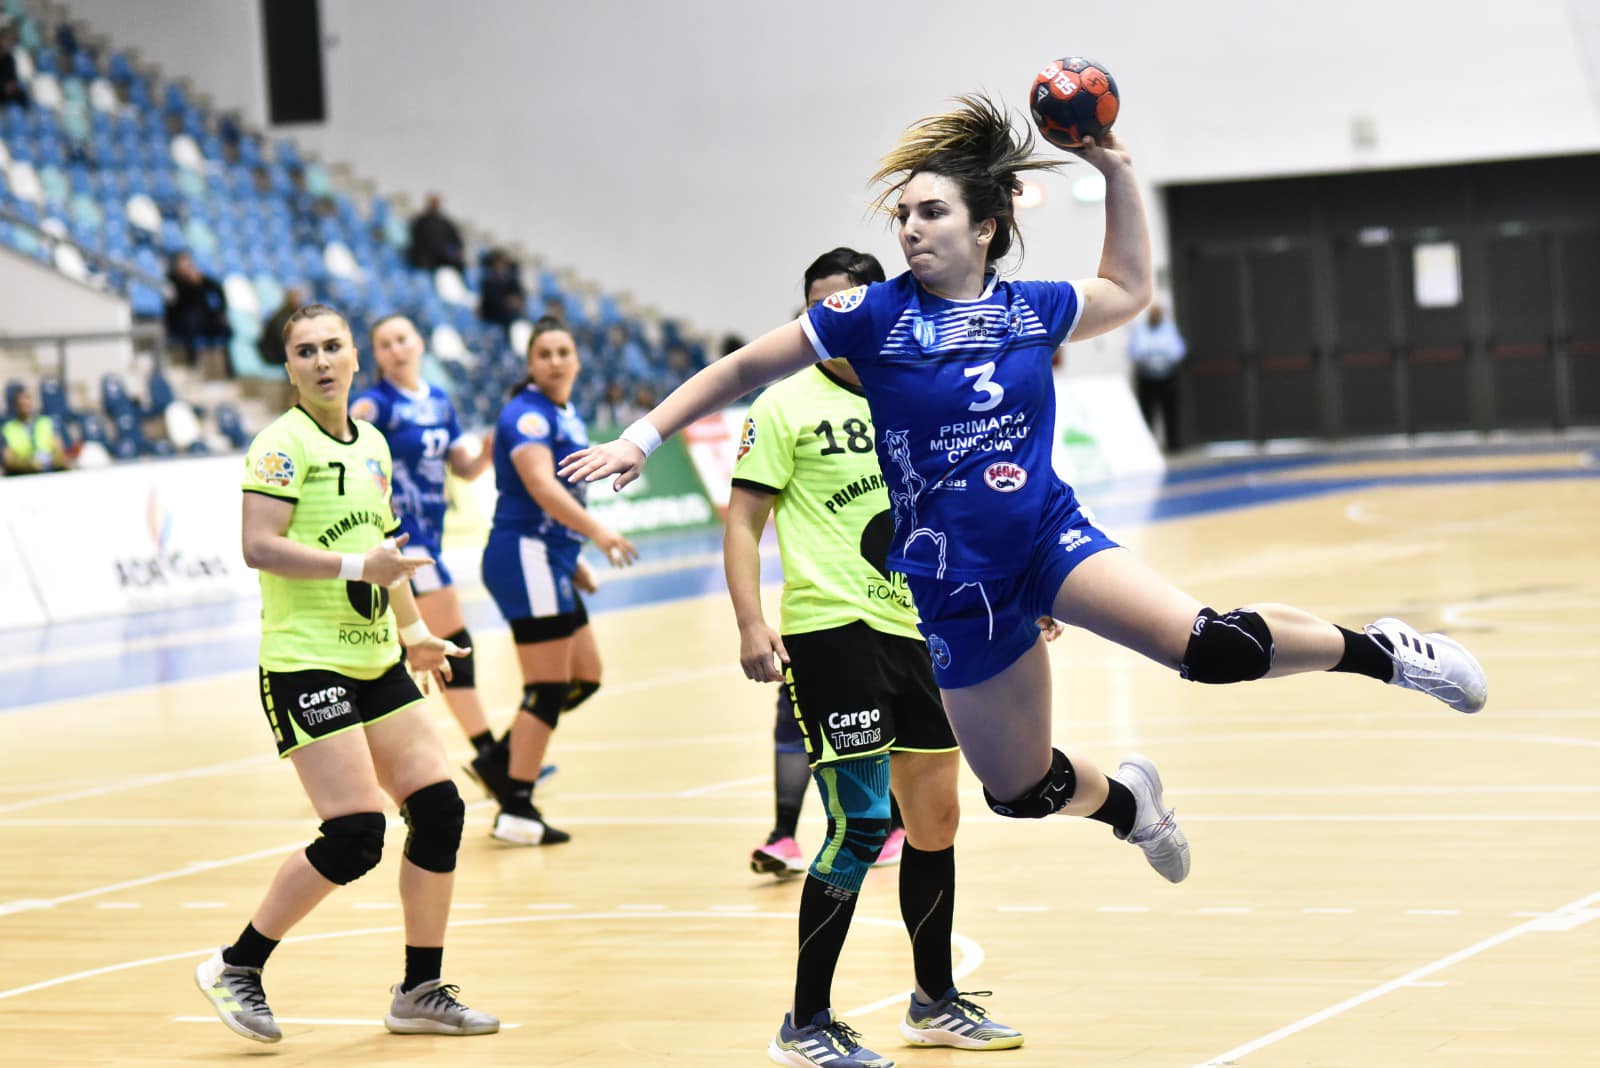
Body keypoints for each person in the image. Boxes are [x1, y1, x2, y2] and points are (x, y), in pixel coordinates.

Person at [563, 96, 1486, 916]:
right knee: (1020, 790)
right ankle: (1132, 806)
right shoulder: (872, 317)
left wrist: (1115, 169)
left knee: (1210, 648)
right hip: (953, 587)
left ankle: (1384, 653)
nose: (911, 228)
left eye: (931, 212)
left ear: (987, 228)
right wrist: (641, 437)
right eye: (904, 214)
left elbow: (1129, 290)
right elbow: (740, 368)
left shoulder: (1033, 309)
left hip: (1048, 540)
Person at [729, 247, 1038, 1066]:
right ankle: (805, 1023)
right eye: (818, 310)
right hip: (831, 629)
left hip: (919, 626)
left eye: (845, 306)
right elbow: (743, 522)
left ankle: (934, 1003)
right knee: (862, 822)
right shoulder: (784, 403)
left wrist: (1017, 591)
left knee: (935, 820)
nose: (832, 324)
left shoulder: (920, 394)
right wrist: (751, 622)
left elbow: (966, 506)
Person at [194, 303, 497, 1044]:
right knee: (357, 833)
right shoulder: (280, 445)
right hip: (305, 662)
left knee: (440, 811)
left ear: (355, 357)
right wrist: (359, 567)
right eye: (306, 351)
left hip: (375, 658)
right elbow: (259, 545)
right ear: (289, 367)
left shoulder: (373, 446)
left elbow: (384, 547)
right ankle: (237, 965)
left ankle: (419, 991)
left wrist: (416, 633)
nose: (322, 360)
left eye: (333, 346)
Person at [476, 315, 637, 845]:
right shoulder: (526, 415)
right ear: (530, 363)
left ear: (577, 360)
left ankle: (501, 758)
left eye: (563, 351)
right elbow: (542, 487)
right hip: (526, 556)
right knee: (546, 687)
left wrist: (574, 556)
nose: (554, 361)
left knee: (584, 676)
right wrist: (599, 534)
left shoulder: (565, 413)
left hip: (552, 558)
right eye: (543, 354)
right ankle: (516, 807)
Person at [351, 314, 496, 772]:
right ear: (376, 355)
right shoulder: (375, 405)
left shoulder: (439, 400)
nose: (396, 349)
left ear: (419, 344)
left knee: (399, 650)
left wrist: (489, 451)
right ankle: (490, 755)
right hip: (402, 535)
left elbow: (463, 469)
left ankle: (361, 753)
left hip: (430, 536)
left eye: (402, 339)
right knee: (450, 638)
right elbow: (344, 448)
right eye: (385, 343)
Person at [1127, 301, 1188, 450]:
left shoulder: (1169, 329)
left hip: (1167, 377)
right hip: (1147, 378)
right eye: (1153, 314)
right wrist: (1158, 352)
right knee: (1147, 414)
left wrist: (1154, 352)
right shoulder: (1140, 330)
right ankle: (1148, 447)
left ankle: (1173, 445)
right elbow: (1136, 352)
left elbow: (1178, 351)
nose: (1155, 317)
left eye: (1157, 314)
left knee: (1170, 413)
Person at [164, 251, 231, 378]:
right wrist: (192, 283)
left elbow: (216, 289)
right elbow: (178, 303)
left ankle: (226, 370)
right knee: (191, 320)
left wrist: (199, 281)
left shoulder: (201, 280)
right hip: (181, 320)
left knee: (222, 325)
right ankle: (192, 364)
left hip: (201, 319)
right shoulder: (172, 280)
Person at [2, 385, 70, 475]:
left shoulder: (46, 422)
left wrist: (54, 461)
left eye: (27, 399)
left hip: (49, 470)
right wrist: (28, 464)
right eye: (21, 402)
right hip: (23, 474)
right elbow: (8, 460)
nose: (25, 403)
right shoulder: (8, 428)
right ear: (15, 405)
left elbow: (59, 451)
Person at [408, 193, 466, 272]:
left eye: (436, 203)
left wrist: (453, 253)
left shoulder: (445, 223)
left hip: (442, 259)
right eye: (432, 203)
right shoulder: (421, 222)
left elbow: (457, 242)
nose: (434, 205)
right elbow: (415, 242)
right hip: (424, 259)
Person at [477, 249, 527, 328]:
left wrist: (516, 302)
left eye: (503, 264)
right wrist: (509, 302)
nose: (501, 267)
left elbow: (520, 294)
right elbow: (494, 301)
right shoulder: (487, 282)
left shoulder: (511, 280)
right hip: (494, 317)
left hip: (511, 315)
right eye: (498, 264)